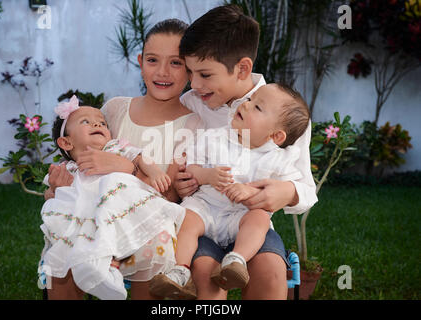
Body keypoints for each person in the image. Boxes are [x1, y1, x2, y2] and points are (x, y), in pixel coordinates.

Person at [42, 18, 203, 300]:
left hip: (147, 226)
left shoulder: (192, 124)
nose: (162, 72)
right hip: (95, 221)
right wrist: (58, 188)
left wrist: (127, 167)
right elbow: (85, 158)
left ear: (190, 68)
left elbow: (173, 195)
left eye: (176, 63)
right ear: (140, 61)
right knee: (63, 263)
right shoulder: (115, 110)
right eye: (153, 60)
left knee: (150, 264)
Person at [173, 5, 318, 299]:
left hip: (249, 223)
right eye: (190, 72)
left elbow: (306, 189)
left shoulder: (285, 116)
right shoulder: (191, 103)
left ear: (242, 68)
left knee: (271, 271)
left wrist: (286, 191)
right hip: (203, 219)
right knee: (204, 273)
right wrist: (181, 182)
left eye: (205, 74)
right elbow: (176, 161)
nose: (194, 84)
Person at [150, 83, 310, 298]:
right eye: (250, 100)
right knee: (188, 220)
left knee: (259, 219)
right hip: (206, 208)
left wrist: (250, 191)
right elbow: (192, 166)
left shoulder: (279, 159)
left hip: (241, 217)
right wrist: (207, 176)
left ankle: (236, 260)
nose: (245, 105)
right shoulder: (215, 137)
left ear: (275, 137)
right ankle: (180, 270)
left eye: (257, 108)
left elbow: (289, 188)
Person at [39, 96, 187, 300]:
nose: (97, 124)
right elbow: (54, 201)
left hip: (124, 218)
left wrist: (153, 172)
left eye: (102, 122)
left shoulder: (115, 148)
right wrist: (58, 190)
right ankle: (100, 266)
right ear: (66, 142)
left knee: (111, 185)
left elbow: (139, 156)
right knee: (62, 246)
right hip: (87, 225)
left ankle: (110, 261)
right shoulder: (68, 169)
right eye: (86, 122)